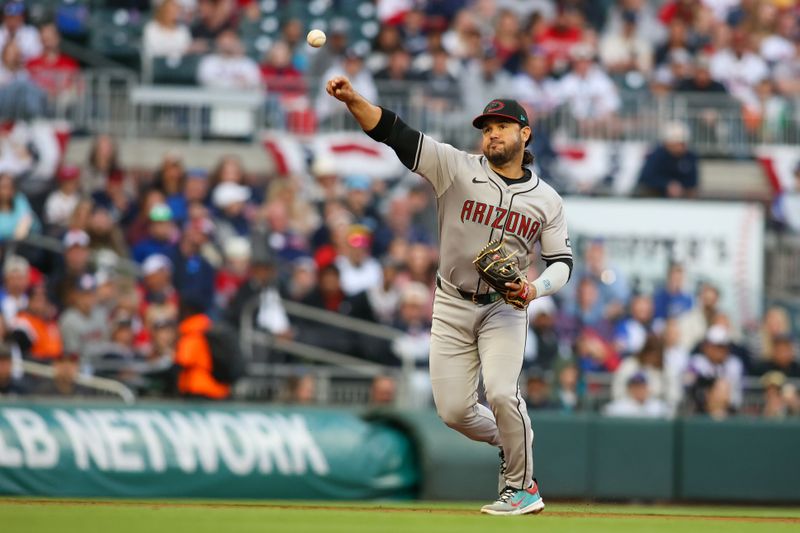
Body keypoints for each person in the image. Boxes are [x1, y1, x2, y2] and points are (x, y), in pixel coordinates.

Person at [325, 77, 574, 515]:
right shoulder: (455, 166)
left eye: (501, 125)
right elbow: (394, 132)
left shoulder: (547, 200)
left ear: (525, 133)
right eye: (486, 127)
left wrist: (534, 289)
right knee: (454, 411)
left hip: (505, 307)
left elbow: (562, 263)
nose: (492, 133)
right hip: (452, 302)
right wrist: (354, 100)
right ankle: (511, 438)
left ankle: (521, 487)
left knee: (501, 392)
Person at [636, 121, 698, 198]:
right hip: (656, 194)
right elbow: (646, 177)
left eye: (683, 143)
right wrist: (667, 184)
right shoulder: (657, 155)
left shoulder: (690, 157)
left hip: (682, 195)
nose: (681, 147)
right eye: (678, 143)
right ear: (668, 143)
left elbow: (693, 181)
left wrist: (679, 187)